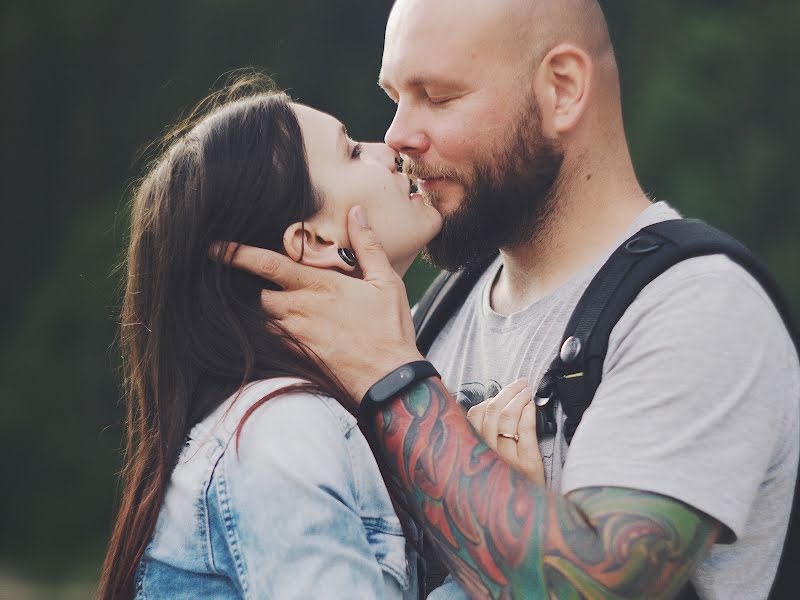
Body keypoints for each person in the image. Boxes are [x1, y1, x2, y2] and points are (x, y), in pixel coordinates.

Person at [221, 0, 800, 598]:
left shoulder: (700, 307)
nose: (397, 136)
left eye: (438, 97)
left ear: (563, 89)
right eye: (396, 97)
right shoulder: (440, 310)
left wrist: (393, 382)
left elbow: (596, 588)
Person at [98, 76, 464, 599]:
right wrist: (497, 567)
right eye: (353, 151)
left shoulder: (279, 422)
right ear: (313, 240)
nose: (390, 150)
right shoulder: (281, 432)